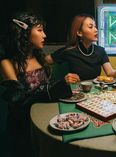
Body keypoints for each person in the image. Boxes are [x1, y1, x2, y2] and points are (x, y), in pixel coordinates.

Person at [0, 11, 75, 157]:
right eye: (39, 30)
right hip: (23, 128)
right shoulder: (7, 63)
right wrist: (58, 86)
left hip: (46, 117)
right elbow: (19, 101)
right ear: (24, 33)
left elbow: (48, 85)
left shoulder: (40, 58)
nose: (44, 35)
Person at [46, 14, 116, 82]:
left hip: (95, 93)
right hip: (76, 93)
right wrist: (63, 79)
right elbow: (43, 61)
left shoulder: (100, 51)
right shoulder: (69, 51)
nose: (96, 30)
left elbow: (110, 73)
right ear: (79, 32)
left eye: (95, 26)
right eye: (91, 27)